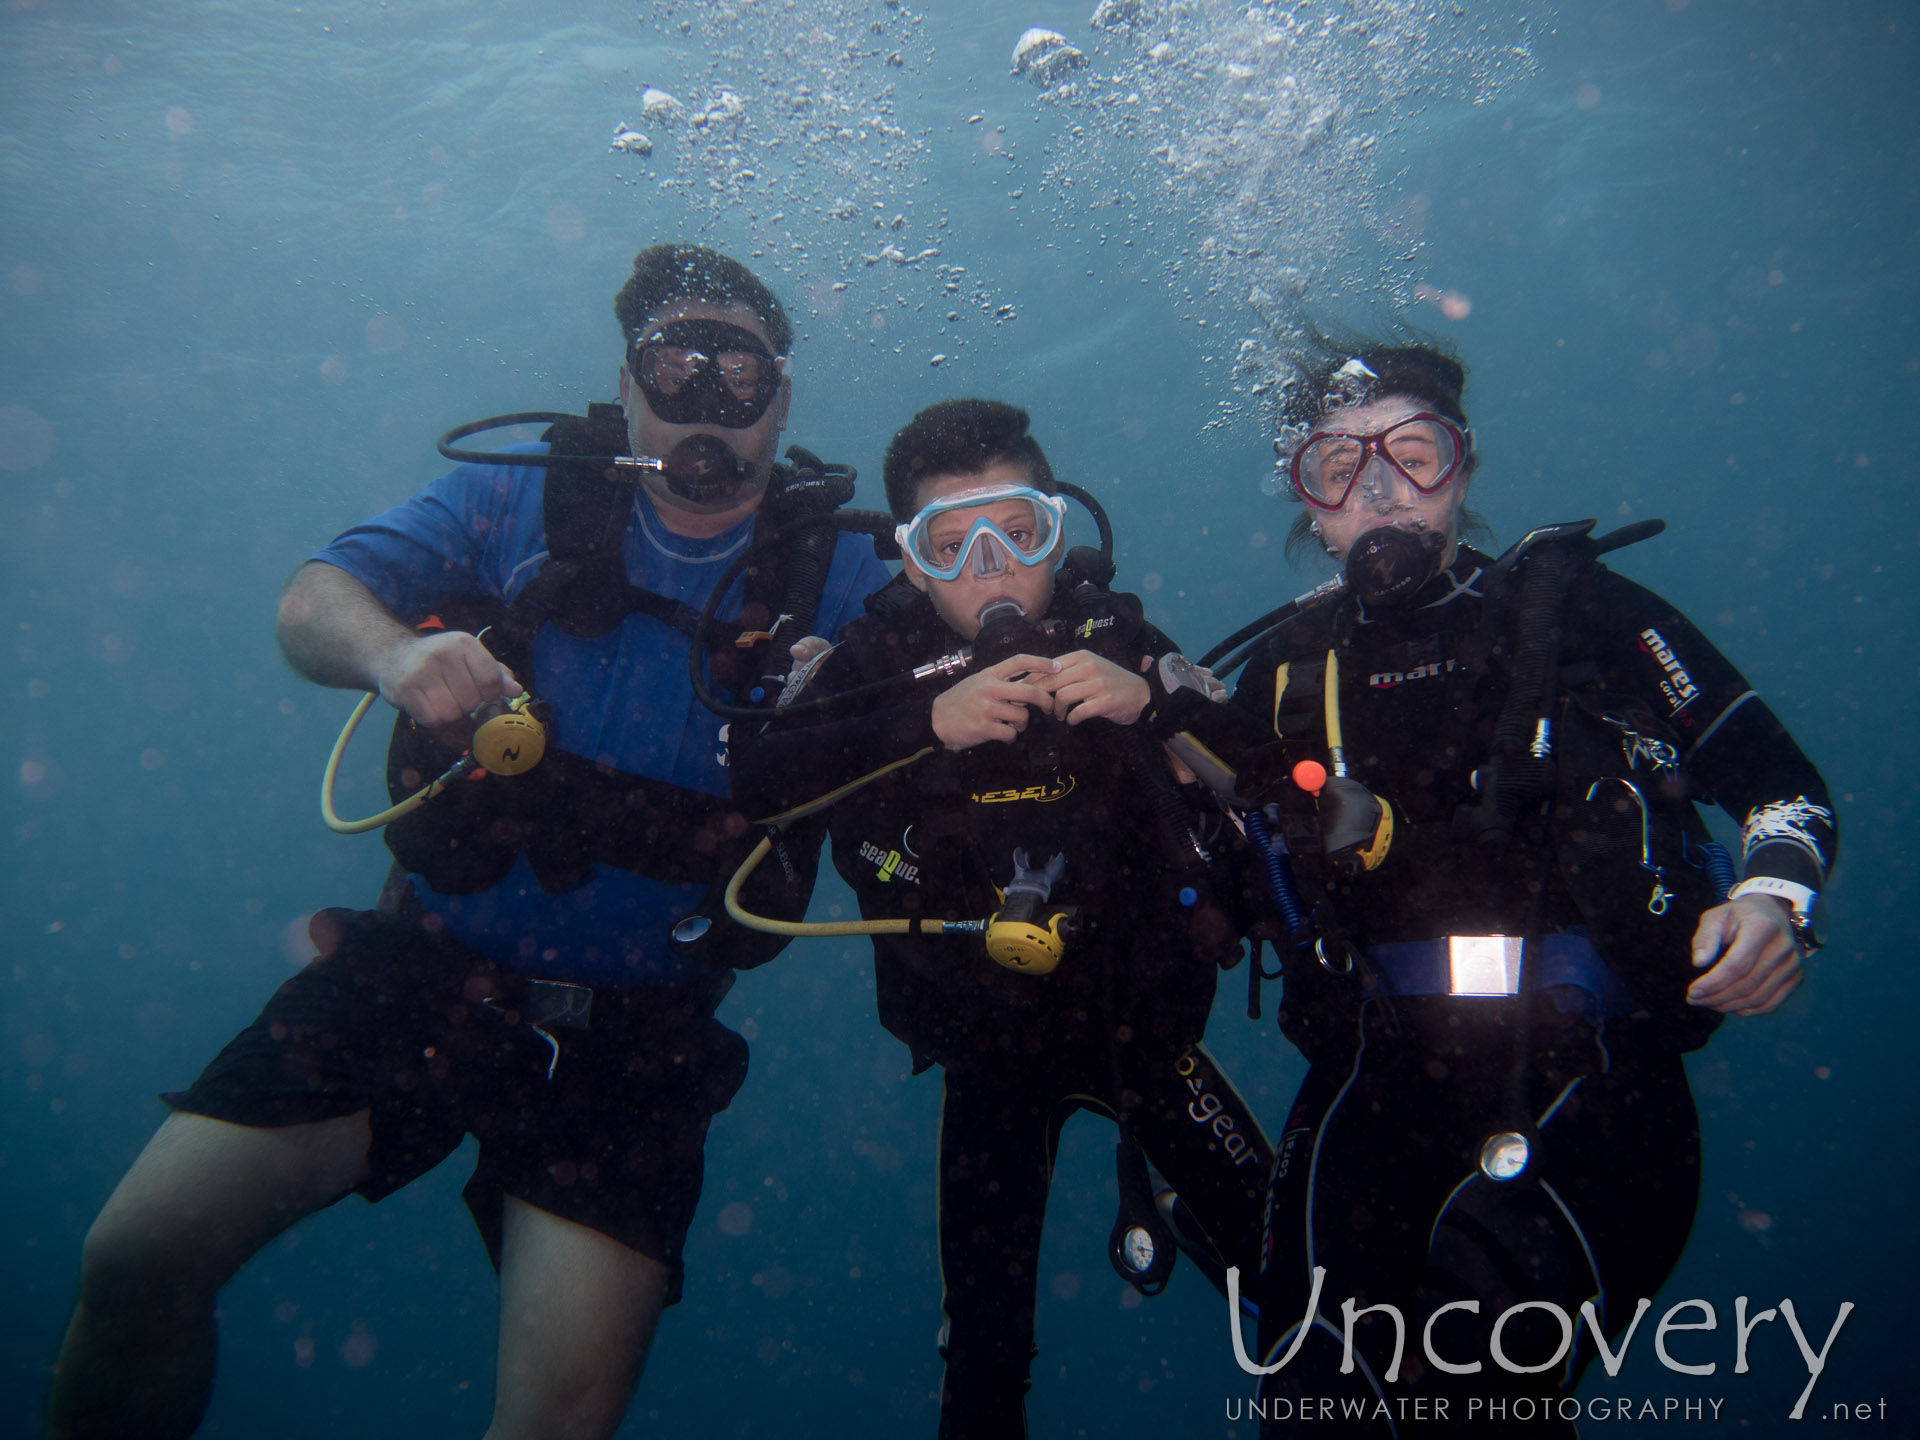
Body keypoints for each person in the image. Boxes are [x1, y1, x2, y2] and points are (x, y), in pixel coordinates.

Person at [47, 244, 891, 1440]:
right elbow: (309, 604)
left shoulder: (842, 565)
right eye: (675, 364)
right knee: (132, 1260)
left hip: (633, 1048)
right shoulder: (522, 500)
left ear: (784, 397)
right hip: (420, 975)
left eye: (739, 372)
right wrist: (394, 655)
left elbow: (977, 660)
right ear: (629, 379)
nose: (707, 401)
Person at [1191, 342, 1834, 1434]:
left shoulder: (1576, 608)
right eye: (1336, 466)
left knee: (1475, 1389)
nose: (1380, 486)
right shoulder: (1289, 672)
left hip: (1588, 1078)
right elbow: (1232, 877)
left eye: (1415, 451)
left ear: (1466, 469)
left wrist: (1777, 903)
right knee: (1312, 1399)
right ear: (1308, 502)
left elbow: (1781, 789)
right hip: (1373, 1081)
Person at [732, 399, 1274, 1440]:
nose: (991, 568)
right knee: (983, 1367)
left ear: (1056, 529)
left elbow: (1262, 761)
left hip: (1143, 1035)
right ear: (912, 563)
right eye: (951, 543)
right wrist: (914, 725)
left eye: (1018, 532)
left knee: (1293, 1283)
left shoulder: (1114, 635)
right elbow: (753, 780)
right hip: (984, 1053)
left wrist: (1157, 701)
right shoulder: (874, 660)